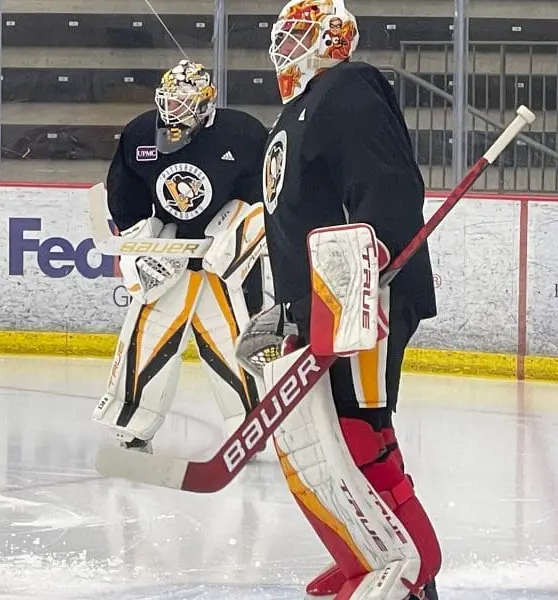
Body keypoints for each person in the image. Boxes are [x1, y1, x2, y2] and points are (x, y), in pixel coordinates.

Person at [256, 1, 441, 598]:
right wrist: (285, 305)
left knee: (359, 436)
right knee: (321, 445)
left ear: (332, 38)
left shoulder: (347, 87)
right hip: (324, 302)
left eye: (300, 33)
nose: (286, 44)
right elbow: (296, 217)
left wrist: (370, 267)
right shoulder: (300, 109)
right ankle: (366, 554)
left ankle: (412, 572)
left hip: (364, 298)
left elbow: (387, 184)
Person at [91, 60, 269, 453]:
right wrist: (140, 240)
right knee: (148, 339)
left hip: (222, 262)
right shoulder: (140, 133)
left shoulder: (243, 133)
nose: (175, 111)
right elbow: (125, 194)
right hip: (169, 257)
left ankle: (251, 426)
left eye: (186, 103)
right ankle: (131, 423)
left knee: (232, 343)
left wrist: (240, 231)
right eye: (170, 101)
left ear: (207, 104)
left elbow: (265, 194)